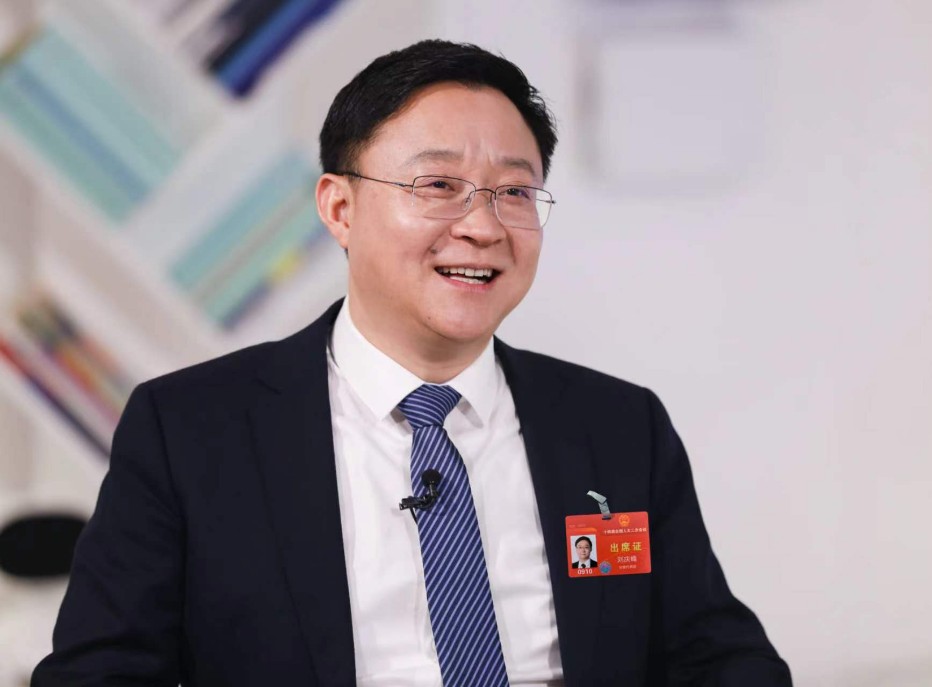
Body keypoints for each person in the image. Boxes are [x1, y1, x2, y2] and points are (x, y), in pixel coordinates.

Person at [33, 40, 791, 686]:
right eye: (439, 186)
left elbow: (718, 656)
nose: (483, 227)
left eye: (514, 191)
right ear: (340, 208)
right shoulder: (190, 430)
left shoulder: (618, 425)